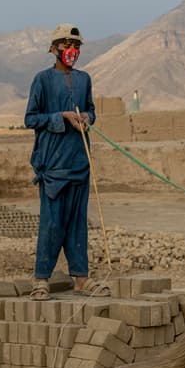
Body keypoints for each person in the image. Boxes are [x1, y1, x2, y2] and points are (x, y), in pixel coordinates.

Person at [24, 24, 111, 300]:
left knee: (77, 224)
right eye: (65, 44)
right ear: (54, 48)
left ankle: (81, 279)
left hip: (79, 164)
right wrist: (60, 116)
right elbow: (30, 119)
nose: (71, 50)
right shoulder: (42, 80)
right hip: (52, 167)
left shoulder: (85, 80)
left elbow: (92, 111)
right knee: (51, 225)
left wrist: (86, 118)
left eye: (76, 45)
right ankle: (41, 280)